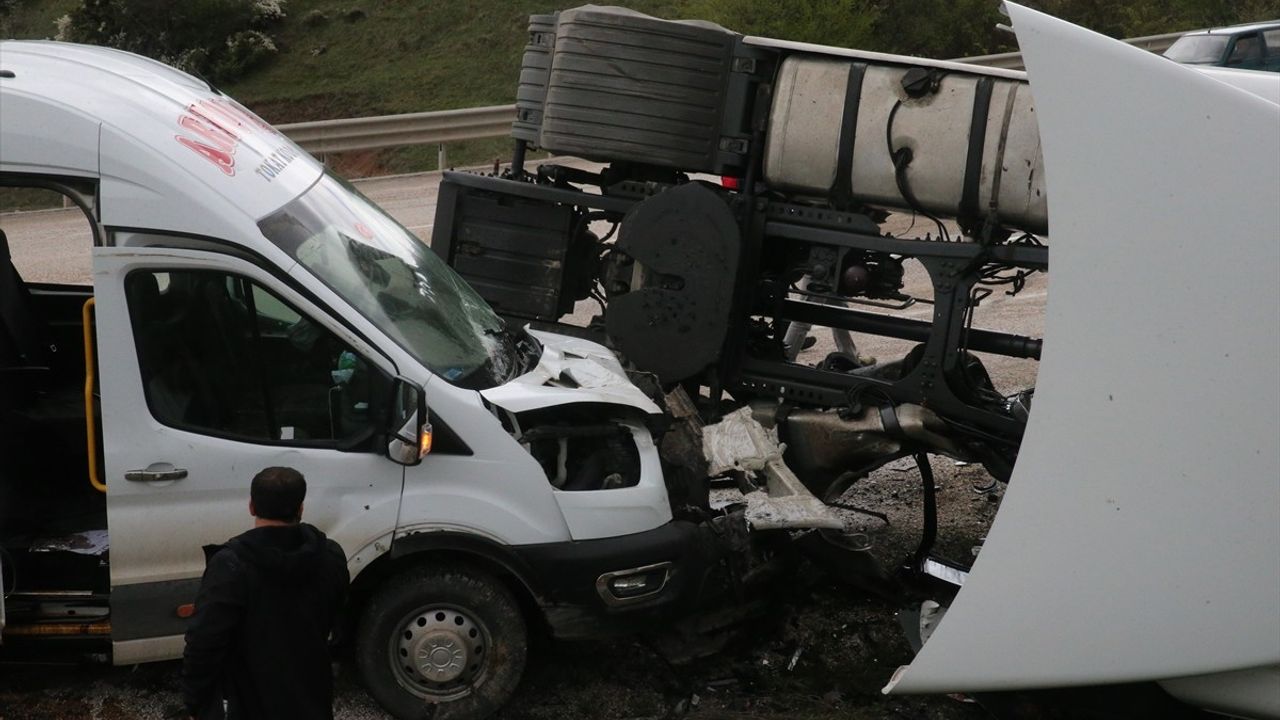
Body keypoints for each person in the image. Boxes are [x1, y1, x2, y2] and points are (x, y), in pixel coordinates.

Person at [182, 467, 350, 720]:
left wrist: (195, 701)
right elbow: (338, 620)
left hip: (250, 702)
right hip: (311, 696)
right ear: (301, 508)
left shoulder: (231, 565)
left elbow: (204, 641)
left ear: (251, 506)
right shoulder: (331, 555)